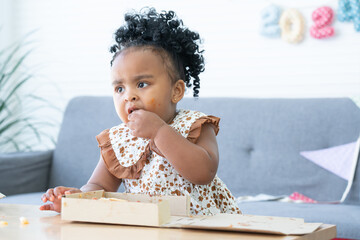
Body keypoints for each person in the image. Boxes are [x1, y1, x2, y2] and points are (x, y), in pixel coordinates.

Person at [40, 7, 241, 215]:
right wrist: (76, 198)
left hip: (201, 226)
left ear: (176, 91)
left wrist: (159, 131)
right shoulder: (119, 140)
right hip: (148, 227)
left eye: (142, 84)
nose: (129, 96)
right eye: (120, 88)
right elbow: (99, 186)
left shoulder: (195, 125)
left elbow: (203, 173)